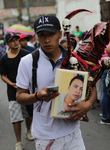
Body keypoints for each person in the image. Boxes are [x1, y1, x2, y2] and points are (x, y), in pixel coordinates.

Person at [16, 14, 97, 150]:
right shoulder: (27, 62)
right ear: (36, 36)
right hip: (45, 136)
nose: (47, 40)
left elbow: (91, 87)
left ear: (60, 34)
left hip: (73, 133)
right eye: (42, 35)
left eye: (51, 34)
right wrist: (37, 96)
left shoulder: (75, 60)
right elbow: (19, 96)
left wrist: (88, 105)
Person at [0, 32, 34, 150]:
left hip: (26, 90)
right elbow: (3, 75)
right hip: (12, 92)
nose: (15, 42)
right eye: (12, 40)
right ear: (7, 43)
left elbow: (33, 70)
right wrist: (11, 83)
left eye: (16, 39)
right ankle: (18, 142)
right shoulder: (4, 58)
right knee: (16, 118)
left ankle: (28, 130)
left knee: (29, 114)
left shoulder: (26, 54)